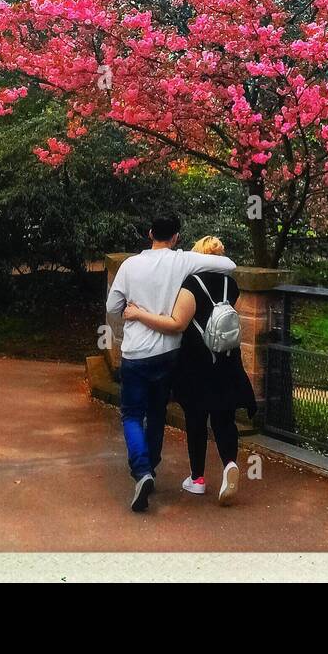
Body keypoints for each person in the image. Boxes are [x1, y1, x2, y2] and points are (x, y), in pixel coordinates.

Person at [105, 216, 237, 512]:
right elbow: (228, 266)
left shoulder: (129, 266)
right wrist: (199, 260)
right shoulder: (183, 261)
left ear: (150, 233)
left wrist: (132, 311)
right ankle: (150, 466)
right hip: (167, 354)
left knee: (131, 415)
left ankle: (142, 471)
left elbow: (112, 307)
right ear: (176, 237)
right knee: (156, 413)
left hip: (136, 353)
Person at [123, 236, 257, 507]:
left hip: (197, 362)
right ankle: (230, 463)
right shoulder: (231, 285)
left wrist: (138, 314)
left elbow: (177, 323)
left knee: (196, 419)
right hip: (227, 360)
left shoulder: (192, 284)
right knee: (224, 418)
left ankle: (197, 479)